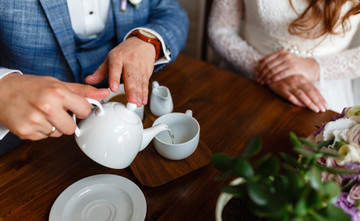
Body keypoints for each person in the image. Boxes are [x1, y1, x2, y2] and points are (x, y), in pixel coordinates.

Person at [0, 0, 189, 155]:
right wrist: (4, 88)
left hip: (121, 134)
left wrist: (148, 40)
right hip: (26, 141)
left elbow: (172, 12)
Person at [208, 0, 360, 114]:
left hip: (325, 92)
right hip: (247, 82)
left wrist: (315, 67)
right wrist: (266, 70)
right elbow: (220, 30)